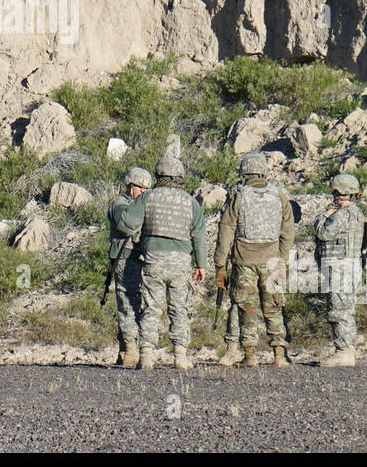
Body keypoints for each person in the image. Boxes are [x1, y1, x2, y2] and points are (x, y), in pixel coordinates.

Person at [118, 156, 208, 370]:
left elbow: (126, 225)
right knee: (179, 308)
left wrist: (140, 236)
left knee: (151, 308)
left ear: (158, 175)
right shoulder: (191, 202)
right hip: (181, 263)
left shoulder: (147, 197)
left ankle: (147, 356)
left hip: (153, 261)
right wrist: (201, 265)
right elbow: (199, 236)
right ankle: (180, 356)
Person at [215, 152, 295, 368]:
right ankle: (279, 355)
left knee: (246, 309)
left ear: (244, 173)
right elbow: (288, 230)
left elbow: (226, 231)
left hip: (244, 262)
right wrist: (282, 259)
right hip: (272, 262)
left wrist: (220, 264)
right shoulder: (279, 195)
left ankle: (250, 356)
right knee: (274, 307)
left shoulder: (239, 196)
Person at [315, 174, 367, 367]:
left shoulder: (342, 215)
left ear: (338, 192)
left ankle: (343, 352)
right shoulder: (357, 213)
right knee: (347, 310)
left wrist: (322, 218)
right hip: (350, 266)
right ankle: (347, 350)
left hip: (340, 268)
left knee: (339, 311)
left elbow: (323, 233)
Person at [107, 166, 152, 368]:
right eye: (139, 188)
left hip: (141, 258)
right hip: (125, 258)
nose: (142, 192)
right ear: (129, 186)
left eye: (145, 189)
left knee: (138, 305)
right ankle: (131, 350)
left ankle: (125, 350)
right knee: (127, 305)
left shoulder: (142, 205)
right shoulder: (120, 204)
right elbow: (125, 224)